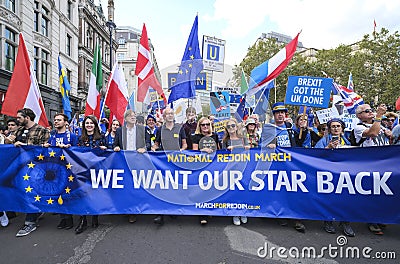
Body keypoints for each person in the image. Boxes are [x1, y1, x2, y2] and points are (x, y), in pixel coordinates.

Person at [268, 102, 306, 232]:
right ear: (274, 115)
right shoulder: (269, 129)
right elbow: (262, 147)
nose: (280, 115)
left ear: (286, 115)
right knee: (280, 191)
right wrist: (269, 145)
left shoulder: (291, 128)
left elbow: (300, 143)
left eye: (282, 113)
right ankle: (281, 214)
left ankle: (297, 219)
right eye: (277, 113)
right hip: (276, 165)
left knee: (294, 190)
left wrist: (303, 129)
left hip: (291, 164)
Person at [314, 118, 355, 237]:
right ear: (329, 129)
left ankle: (345, 222)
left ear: (342, 128)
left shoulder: (346, 141)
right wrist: (327, 148)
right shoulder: (323, 141)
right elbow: (314, 155)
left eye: (338, 126)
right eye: (333, 126)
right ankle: (328, 220)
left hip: (343, 175)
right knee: (329, 199)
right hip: (328, 174)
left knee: (345, 198)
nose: (336, 128)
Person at [12, 108, 50, 237]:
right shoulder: (19, 130)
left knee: (31, 192)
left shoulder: (42, 130)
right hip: (20, 168)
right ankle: (36, 211)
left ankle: (30, 222)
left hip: (36, 168)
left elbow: (45, 150)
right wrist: (10, 141)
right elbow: (8, 143)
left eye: (19, 117)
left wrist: (24, 145)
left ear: (27, 117)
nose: (18, 120)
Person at [354, 104, 391, 235]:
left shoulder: (379, 124)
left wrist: (388, 131)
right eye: (367, 111)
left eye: (371, 110)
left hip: (384, 163)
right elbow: (373, 133)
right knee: (372, 194)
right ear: (359, 116)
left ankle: (380, 217)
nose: (371, 112)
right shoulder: (359, 127)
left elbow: (389, 135)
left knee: (383, 193)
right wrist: (379, 116)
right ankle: (371, 221)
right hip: (370, 165)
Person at [151, 107, 187, 225]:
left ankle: (173, 209)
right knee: (162, 186)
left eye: (171, 113)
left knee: (175, 186)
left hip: (177, 162)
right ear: (164, 116)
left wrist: (182, 150)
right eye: (167, 114)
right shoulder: (160, 129)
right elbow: (156, 144)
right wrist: (153, 149)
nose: (170, 115)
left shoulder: (180, 128)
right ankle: (160, 213)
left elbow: (185, 144)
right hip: (163, 162)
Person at [44, 113, 78, 230]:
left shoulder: (72, 136)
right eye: (55, 120)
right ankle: (62, 218)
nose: (56, 122)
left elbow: (78, 152)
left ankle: (69, 218)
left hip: (68, 170)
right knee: (57, 193)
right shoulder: (52, 136)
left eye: (59, 120)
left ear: (65, 122)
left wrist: (69, 148)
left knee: (67, 193)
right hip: (55, 169)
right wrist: (45, 146)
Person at [113, 110, 148, 223]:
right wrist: (116, 148)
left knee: (136, 185)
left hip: (138, 161)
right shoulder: (119, 130)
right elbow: (115, 144)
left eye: (134, 116)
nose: (133, 117)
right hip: (124, 162)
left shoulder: (142, 129)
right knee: (126, 185)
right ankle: (127, 209)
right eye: (130, 116)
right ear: (125, 118)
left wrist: (144, 148)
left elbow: (148, 143)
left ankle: (135, 210)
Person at [76, 115, 107, 234]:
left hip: (97, 169)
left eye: (91, 123)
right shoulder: (80, 138)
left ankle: (95, 216)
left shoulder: (102, 137)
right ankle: (82, 220)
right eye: (87, 123)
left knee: (95, 193)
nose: (89, 125)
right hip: (83, 170)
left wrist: (105, 148)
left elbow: (109, 152)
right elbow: (75, 153)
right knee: (83, 194)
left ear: (95, 125)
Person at [192, 117, 221, 225]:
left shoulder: (215, 136)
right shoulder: (196, 137)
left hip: (213, 165)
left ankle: (211, 210)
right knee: (202, 189)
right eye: (203, 125)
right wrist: (202, 150)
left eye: (207, 124)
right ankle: (201, 214)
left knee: (213, 188)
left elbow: (218, 150)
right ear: (199, 126)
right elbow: (194, 152)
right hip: (201, 166)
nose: (205, 126)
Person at [221, 118, 249, 226]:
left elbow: (248, 148)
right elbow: (222, 155)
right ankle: (235, 213)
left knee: (243, 190)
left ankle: (243, 212)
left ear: (236, 127)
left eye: (233, 125)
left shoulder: (242, 138)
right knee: (233, 191)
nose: (231, 128)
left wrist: (236, 147)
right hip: (231, 168)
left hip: (244, 166)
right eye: (229, 126)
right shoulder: (225, 141)